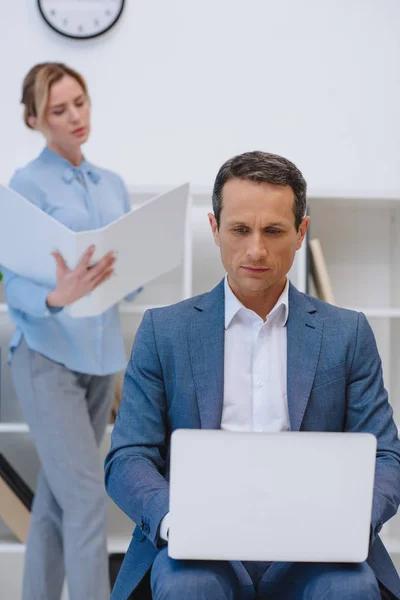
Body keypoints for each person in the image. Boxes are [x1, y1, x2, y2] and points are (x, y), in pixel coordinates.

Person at [105, 151, 400, 600]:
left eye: (274, 231)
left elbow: (386, 457)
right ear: (215, 229)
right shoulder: (163, 331)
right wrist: (175, 522)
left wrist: (353, 522)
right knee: (190, 586)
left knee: (350, 587)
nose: (256, 249)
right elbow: (128, 457)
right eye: (240, 229)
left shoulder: (347, 333)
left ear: (301, 232)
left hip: (316, 547)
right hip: (199, 548)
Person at [2, 63, 142, 600]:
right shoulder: (25, 185)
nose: (75, 117)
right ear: (35, 119)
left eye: (80, 102)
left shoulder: (112, 184)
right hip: (46, 358)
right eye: (59, 110)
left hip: (101, 361)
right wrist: (56, 296)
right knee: (85, 498)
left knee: (57, 503)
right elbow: (15, 285)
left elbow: (121, 281)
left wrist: (131, 272)